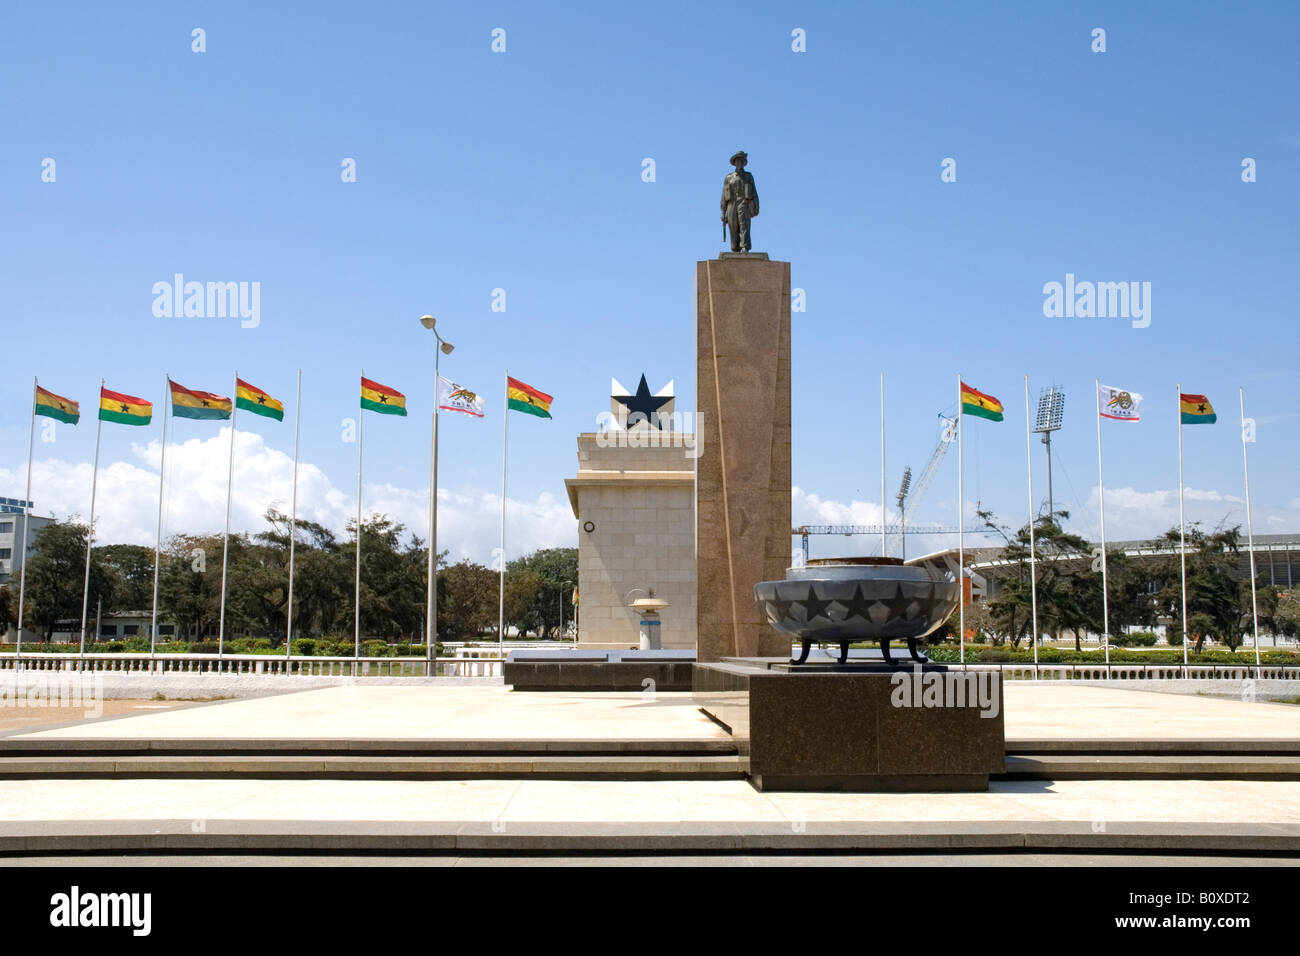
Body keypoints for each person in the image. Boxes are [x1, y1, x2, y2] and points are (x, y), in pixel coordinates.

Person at [720, 150, 759, 252]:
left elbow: (754, 192)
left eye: (742, 161)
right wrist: (723, 212)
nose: (740, 163)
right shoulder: (729, 178)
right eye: (738, 161)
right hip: (732, 204)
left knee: (744, 225)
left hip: (744, 203)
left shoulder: (748, 176)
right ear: (735, 163)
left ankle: (744, 246)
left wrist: (756, 206)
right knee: (733, 226)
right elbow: (724, 196)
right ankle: (735, 247)